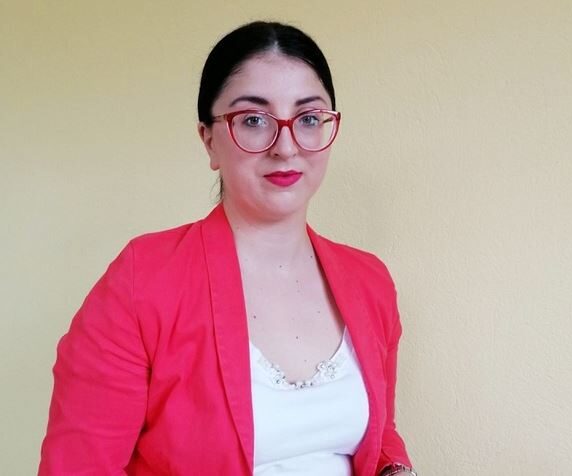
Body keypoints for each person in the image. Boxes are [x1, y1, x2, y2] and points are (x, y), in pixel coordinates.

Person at [39, 21, 416, 476]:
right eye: (253, 120)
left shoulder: (369, 280)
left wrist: (397, 469)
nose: (286, 147)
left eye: (308, 118)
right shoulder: (143, 281)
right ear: (209, 140)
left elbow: (380, 437)